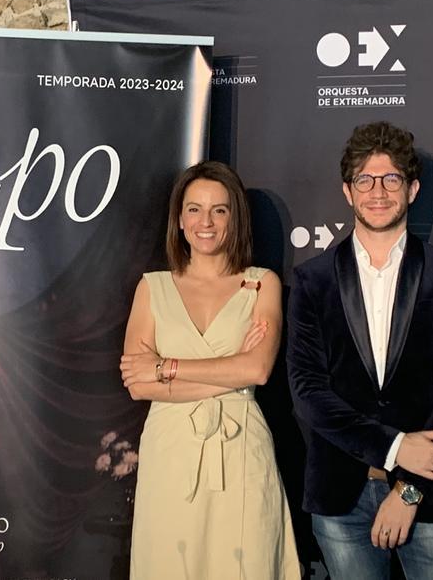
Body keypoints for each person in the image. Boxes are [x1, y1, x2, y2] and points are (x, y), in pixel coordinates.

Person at [286, 121, 433, 579]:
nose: (378, 191)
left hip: (432, 498)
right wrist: (394, 449)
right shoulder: (312, 282)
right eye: (365, 180)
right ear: (347, 191)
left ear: (412, 189)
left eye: (391, 178)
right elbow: (308, 392)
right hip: (340, 499)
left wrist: (409, 489)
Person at [119, 161, 300, 579]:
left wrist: (167, 367)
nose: (207, 222)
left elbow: (256, 370)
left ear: (234, 218)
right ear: (179, 220)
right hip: (170, 453)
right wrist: (227, 374)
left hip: (241, 450)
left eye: (220, 210)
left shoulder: (261, 283)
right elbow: (137, 383)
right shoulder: (153, 287)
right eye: (195, 209)